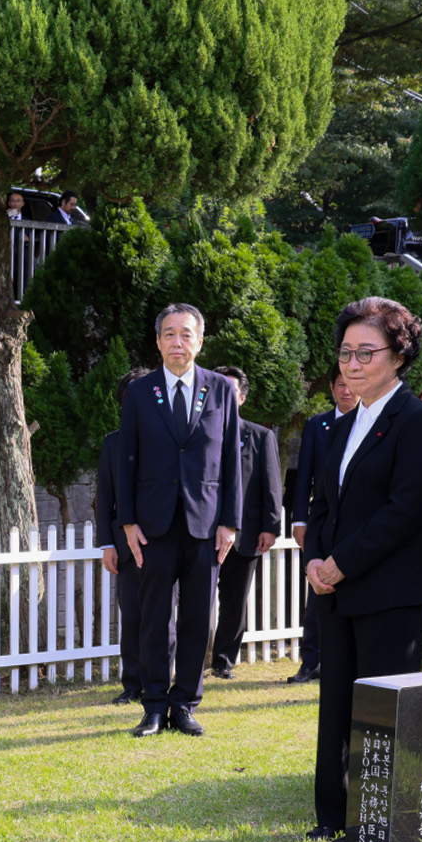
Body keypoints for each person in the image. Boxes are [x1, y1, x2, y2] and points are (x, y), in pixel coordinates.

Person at [304, 297, 422, 842]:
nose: (352, 363)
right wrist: (316, 558)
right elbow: (323, 505)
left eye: (367, 352)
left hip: (389, 591)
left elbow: (403, 511)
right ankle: (332, 817)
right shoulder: (341, 426)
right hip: (336, 590)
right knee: (337, 703)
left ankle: (375, 828)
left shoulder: (416, 422)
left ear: (400, 355)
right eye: (345, 352)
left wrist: (341, 563)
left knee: (381, 713)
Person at [116, 304, 241, 738]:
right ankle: (153, 705)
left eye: (186, 335)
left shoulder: (221, 390)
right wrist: (128, 521)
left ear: (200, 341)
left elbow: (230, 460)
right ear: (157, 341)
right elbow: (125, 461)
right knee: (154, 619)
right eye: (169, 334)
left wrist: (231, 522)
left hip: (205, 525)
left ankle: (185, 703)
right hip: (153, 527)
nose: (177, 343)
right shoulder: (140, 392)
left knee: (196, 618)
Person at [96, 367, 168, 705]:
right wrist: (108, 544)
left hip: (165, 540)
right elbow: (105, 498)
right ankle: (132, 685)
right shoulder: (112, 443)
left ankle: (161, 682)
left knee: (163, 616)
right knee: (133, 616)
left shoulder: (172, 438)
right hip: (124, 548)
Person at [209, 366, 282, 679]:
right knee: (195, 601)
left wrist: (271, 526)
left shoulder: (260, 436)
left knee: (234, 602)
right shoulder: (198, 433)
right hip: (201, 533)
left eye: (230, 390)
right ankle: (190, 661)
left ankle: (223, 662)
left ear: (242, 397)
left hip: (245, 534)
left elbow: (271, 484)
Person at [284, 374, 356, 684]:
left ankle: (342, 662)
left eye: (351, 384)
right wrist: (300, 520)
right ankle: (309, 661)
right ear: (331, 389)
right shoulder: (317, 425)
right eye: (340, 384)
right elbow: (304, 477)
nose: (347, 390)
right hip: (322, 521)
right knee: (316, 591)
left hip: (355, 523)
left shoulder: (369, 422)